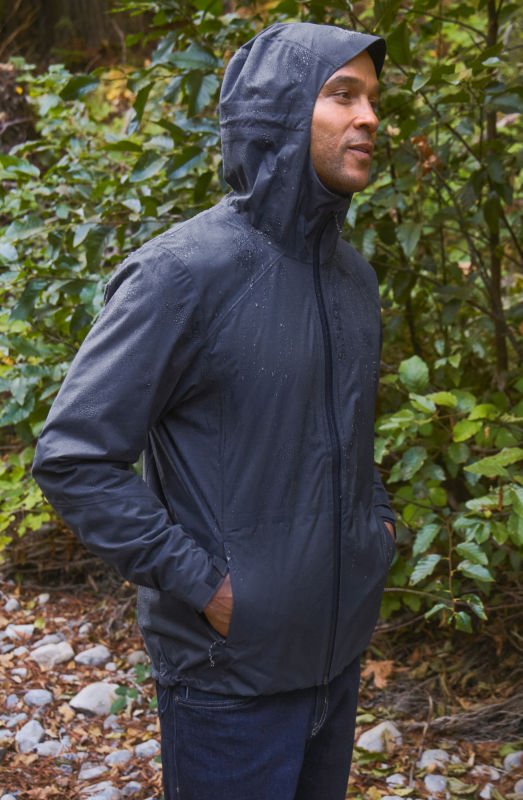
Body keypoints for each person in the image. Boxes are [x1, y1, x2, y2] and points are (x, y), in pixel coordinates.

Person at [32, 21, 396, 800]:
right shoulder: (184, 274)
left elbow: (348, 443)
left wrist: (375, 536)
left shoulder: (352, 280)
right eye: (342, 95)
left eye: (373, 98)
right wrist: (209, 589)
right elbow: (74, 456)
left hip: (333, 663)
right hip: (227, 682)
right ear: (277, 112)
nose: (369, 117)